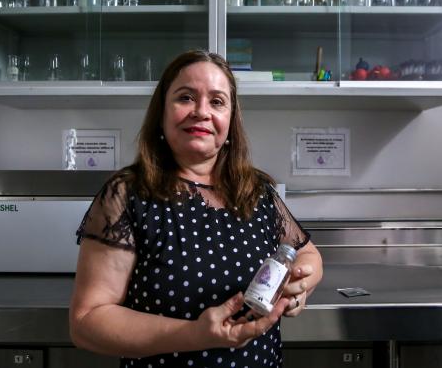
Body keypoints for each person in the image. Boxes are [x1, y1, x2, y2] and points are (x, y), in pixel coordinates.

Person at [69, 50, 323, 367]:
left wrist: (297, 289)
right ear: (161, 113)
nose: (202, 112)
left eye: (217, 101)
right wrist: (196, 335)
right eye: (186, 97)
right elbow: (87, 321)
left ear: (230, 121)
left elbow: (308, 255)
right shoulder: (128, 194)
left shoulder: (255, 190)